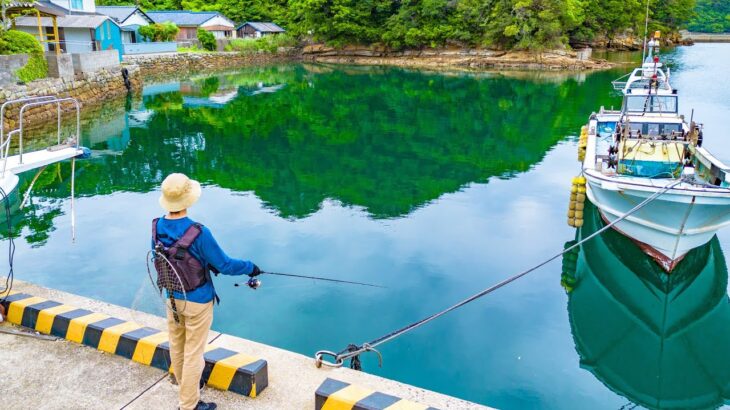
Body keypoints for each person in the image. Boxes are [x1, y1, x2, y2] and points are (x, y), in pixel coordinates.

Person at [152, 173, 260, 410]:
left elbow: (164, 258)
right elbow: (226, 265)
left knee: (177, 344)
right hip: (197, 301)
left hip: (170, 296)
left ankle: (186, 386)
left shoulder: (156, 226)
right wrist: (251, 267)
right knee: (193, 353)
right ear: (188, 200)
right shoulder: (199, 232)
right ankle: (188, 404)